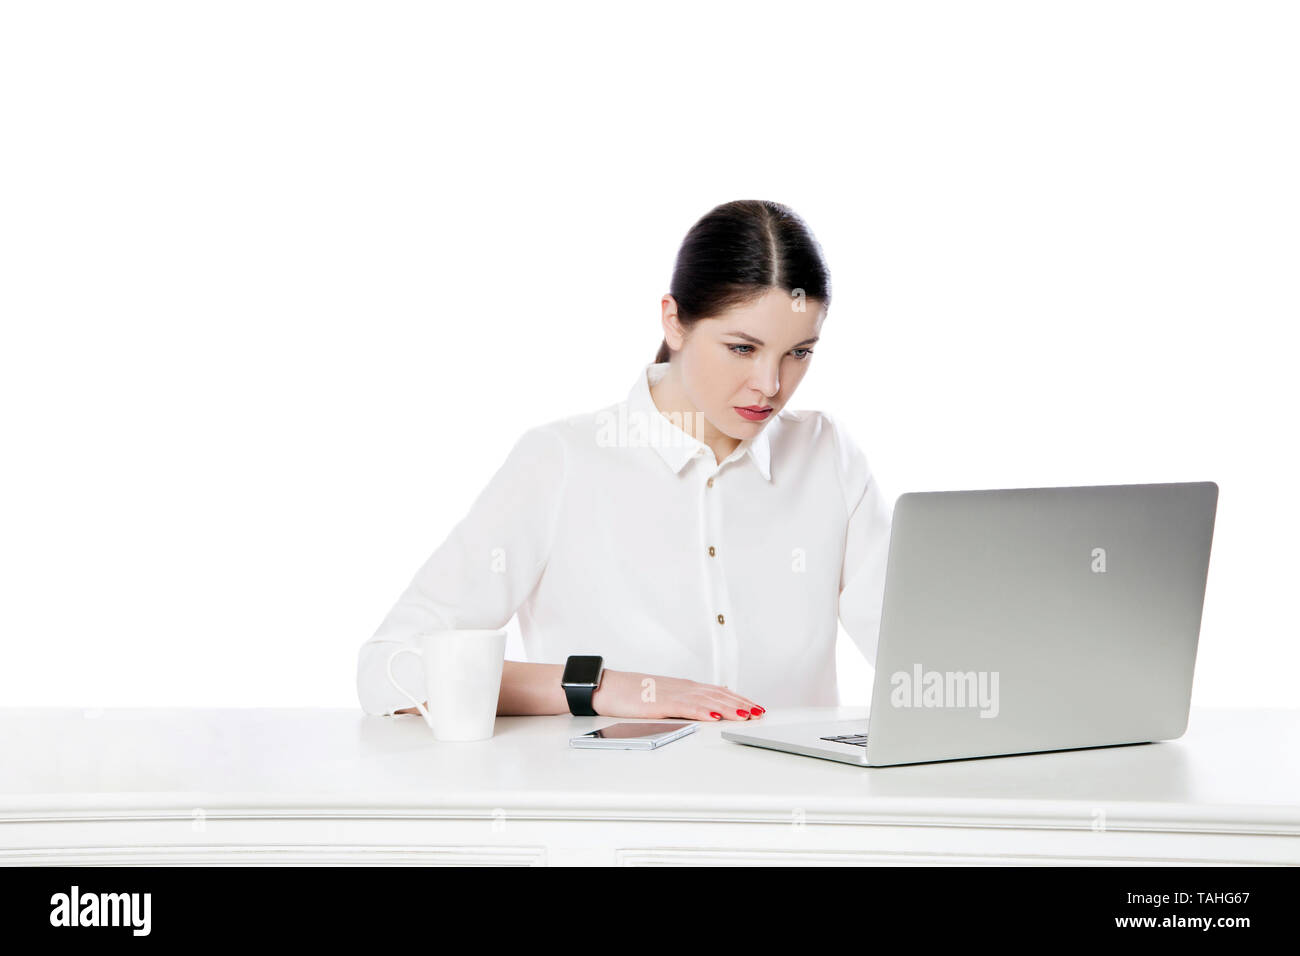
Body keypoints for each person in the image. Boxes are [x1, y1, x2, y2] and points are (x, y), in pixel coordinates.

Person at [356, 199, 892, 722]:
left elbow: (918, 663)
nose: (771, 386)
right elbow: (389, 669)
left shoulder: (827, 454)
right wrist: (606, 687)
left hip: (798, 805)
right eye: (742, 349)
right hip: (619, 806)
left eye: (799, 352)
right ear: (674, 322)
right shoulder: (562, 461)